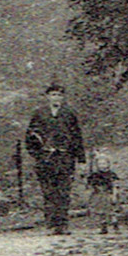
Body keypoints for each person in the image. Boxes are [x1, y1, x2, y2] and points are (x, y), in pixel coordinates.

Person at [24, 83, 84, 234]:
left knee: (64, 192)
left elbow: (77, 136)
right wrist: (37, 154)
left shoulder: (69, 113)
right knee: (49, 192)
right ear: (47, 97)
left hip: (65, 158)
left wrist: (80, 159)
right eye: (53, 95)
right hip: (46, 158)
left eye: (59, 95)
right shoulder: (39, 113)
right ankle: (51, 225)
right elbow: (30, 136)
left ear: (63, 97)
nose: (56, 98)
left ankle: (62, 225)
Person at [85, 152, 124, 234]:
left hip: (108, 193)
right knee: (101, 211)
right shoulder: (95, 175)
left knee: (112, 210)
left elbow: (115, 185)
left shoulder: (111, 175)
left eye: (104, 163)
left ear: (108, 164)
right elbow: (91, 185)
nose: (102, 165)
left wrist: (114, 194)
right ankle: (103, 226)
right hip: (99, 194)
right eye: (100, 164)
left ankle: (115, 225)